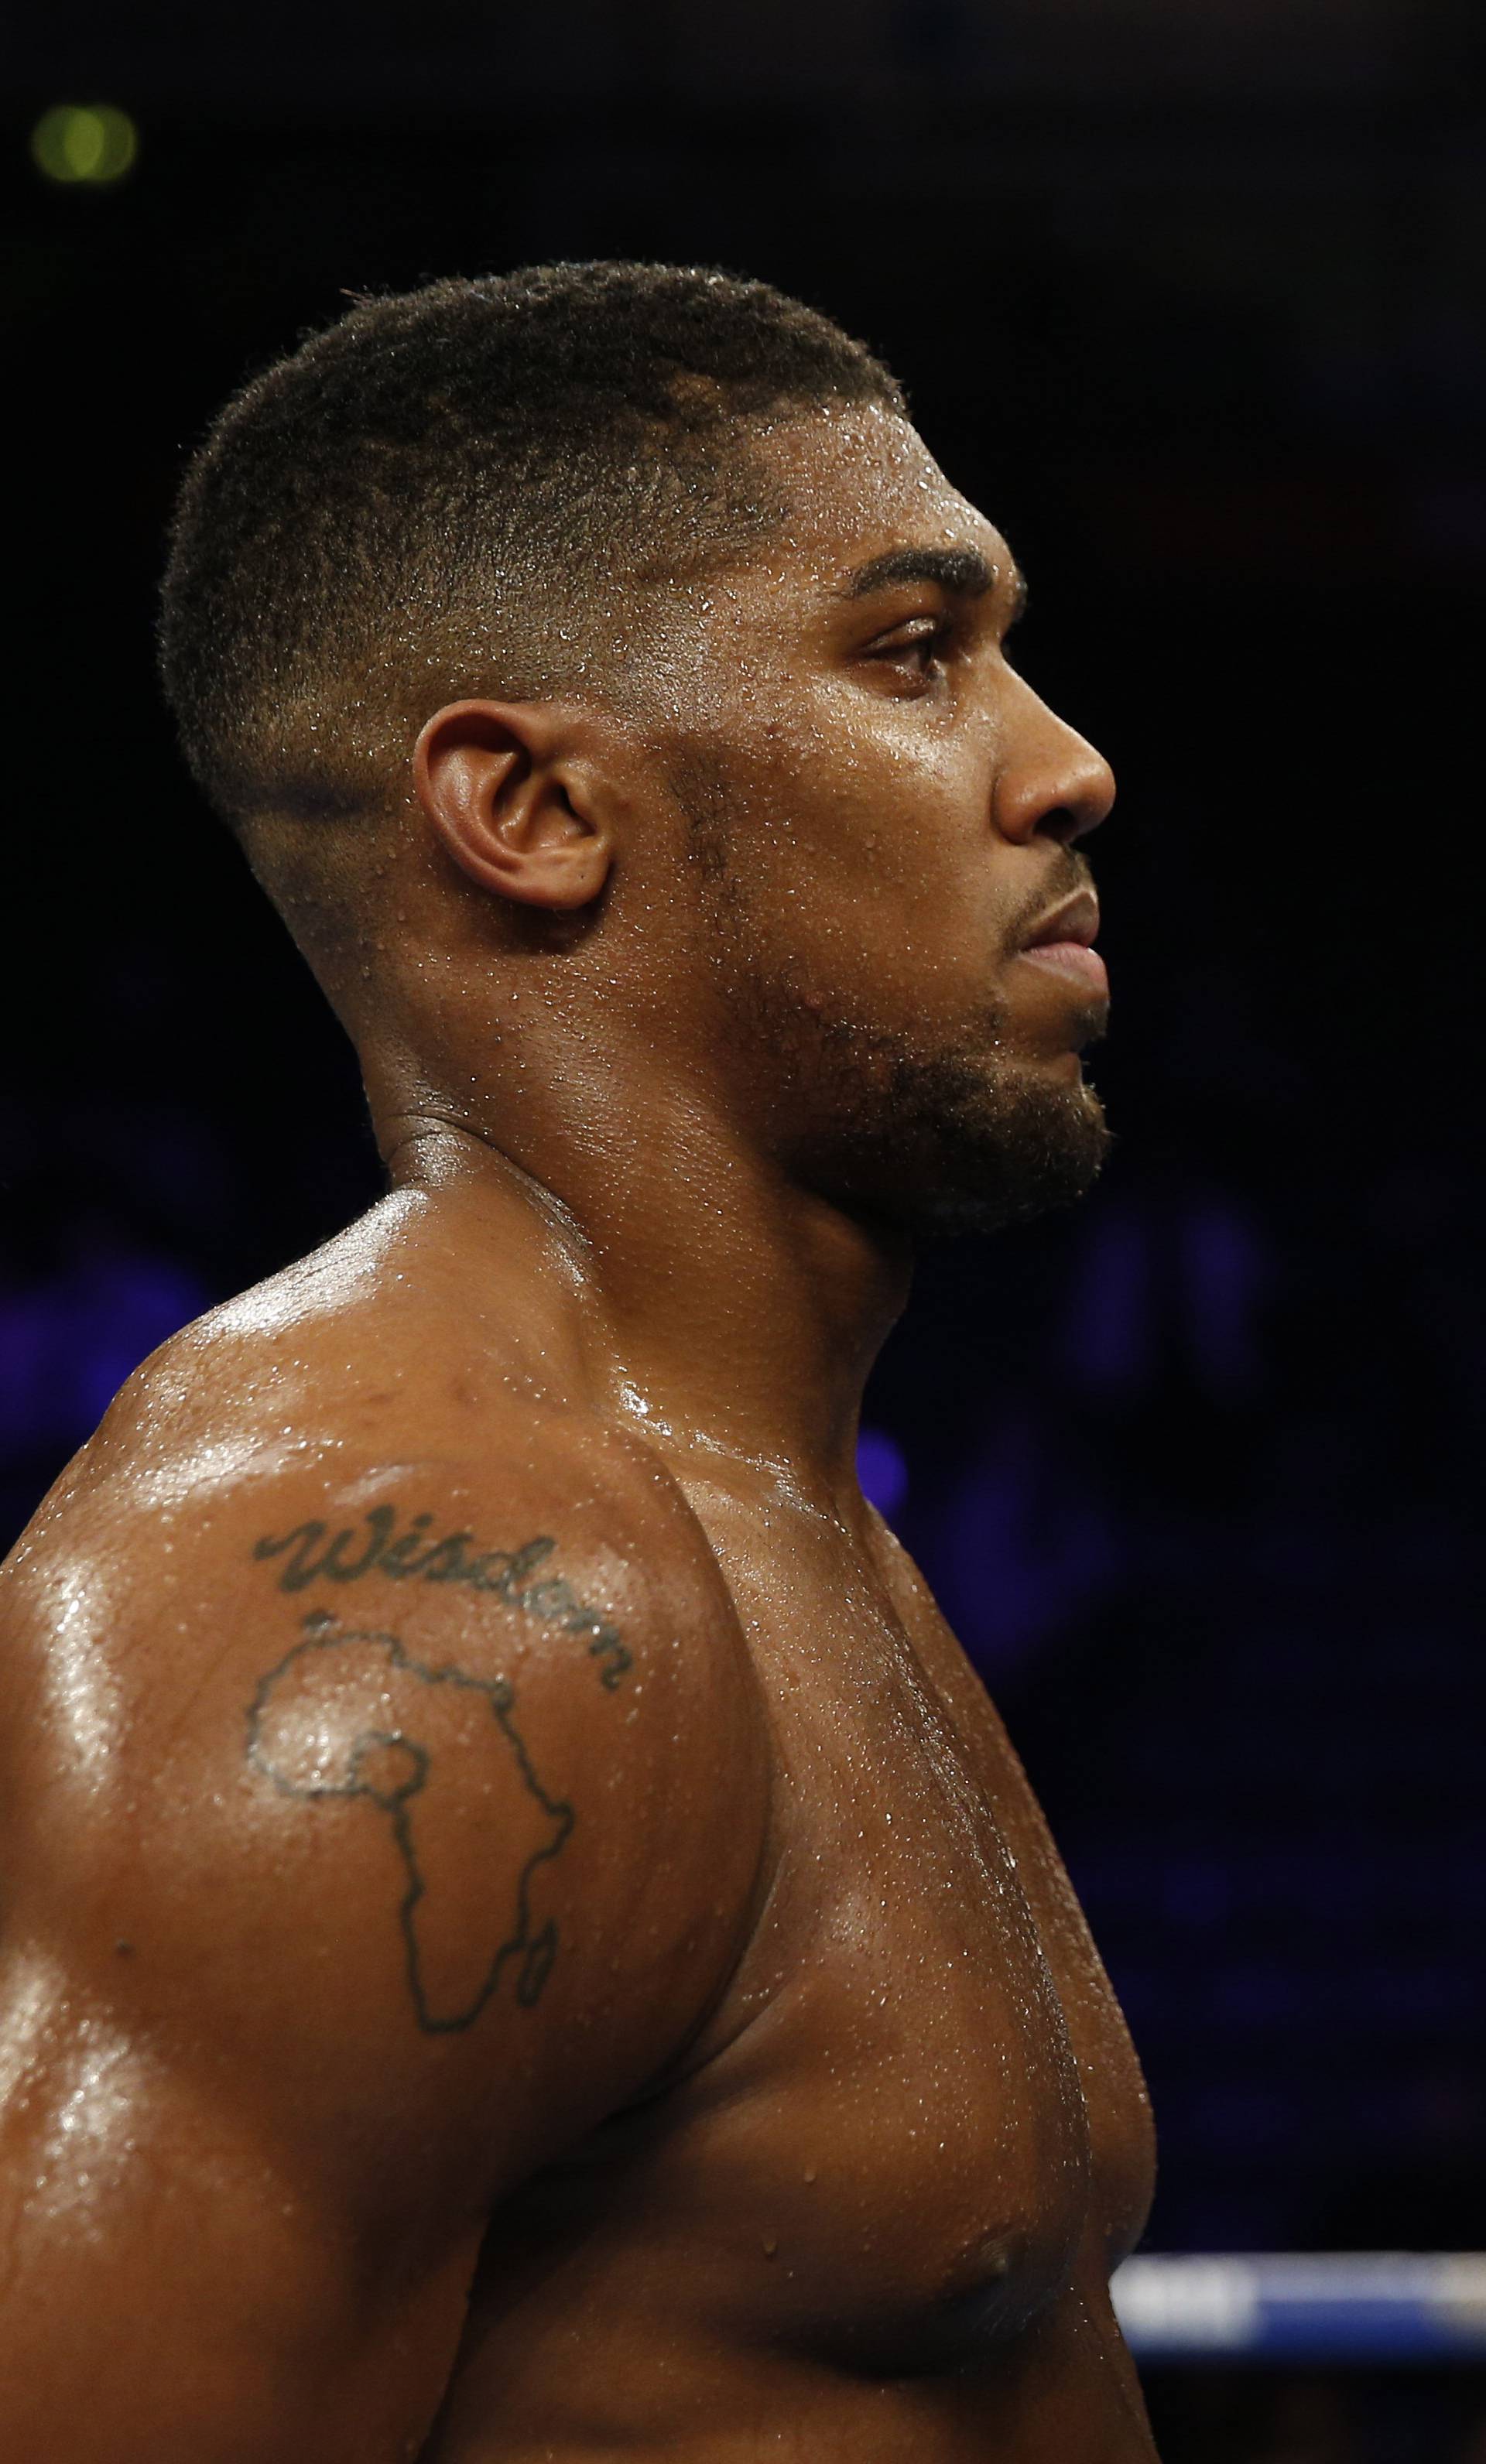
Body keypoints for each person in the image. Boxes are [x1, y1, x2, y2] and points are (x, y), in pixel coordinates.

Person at [0, 263, 1157, 2459]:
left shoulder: (756, 1513)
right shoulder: (400, 1599)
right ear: (527, 810)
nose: (1069, 765)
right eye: (914, 655)